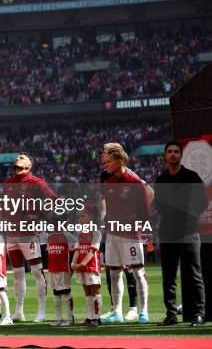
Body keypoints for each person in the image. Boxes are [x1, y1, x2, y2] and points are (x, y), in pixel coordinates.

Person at [155, 140, 207, 327]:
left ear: (180, 155)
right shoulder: (161, 180)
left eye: (176, 151)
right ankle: (171, 315)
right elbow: (158, 205)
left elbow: (203, 202)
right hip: (168, 233)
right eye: (169, 151)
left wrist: (189, 217)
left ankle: (199, 314)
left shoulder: (191, 176)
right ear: (165, 155)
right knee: (168, 277)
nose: (173, 154)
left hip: (189, 233)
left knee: (195, 275)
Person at [101, 143, 151, 325]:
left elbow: (145, 211)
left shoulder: (135, 183)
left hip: (130, 234)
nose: (105, 165)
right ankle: (116, 313)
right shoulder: (108, 182)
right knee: (114, 273)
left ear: (119, 160)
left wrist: (138, 229)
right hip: (112, 234)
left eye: (108, 161)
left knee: (138, 272)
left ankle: (143, 312)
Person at [4, 153, 55, 322]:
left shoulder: (36, 182)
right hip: (11, 234)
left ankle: (41, 312)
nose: (18, 158)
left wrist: (39, 216)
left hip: (29, 235)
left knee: (37, 272)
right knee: (17, 274)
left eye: (22, 157)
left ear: (29, 165)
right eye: (17, 157)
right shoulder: (9, 183)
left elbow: (54, 200)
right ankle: (19, 311)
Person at [72, 206, 103, 326]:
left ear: (92, 217)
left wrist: (82, 264)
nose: (80, 219)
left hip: (91, 267)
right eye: (79, 216)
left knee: (94, 291)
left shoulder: (96, 233)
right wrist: (73, 263)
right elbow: (78, 250)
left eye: (83, 216)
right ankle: (90, 317)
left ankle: (97, 317)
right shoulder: (80, 233)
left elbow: (92, 251)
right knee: (87, 292)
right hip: (81, 267)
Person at [47, 220, 76, 326]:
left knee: (66, 293)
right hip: (52, 269)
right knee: (56, 294)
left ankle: (70, 319)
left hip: (64, 269)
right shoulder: (50, 237)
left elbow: (73, 253)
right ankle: (58, 319)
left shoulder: (68, 237)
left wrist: (72, 268)